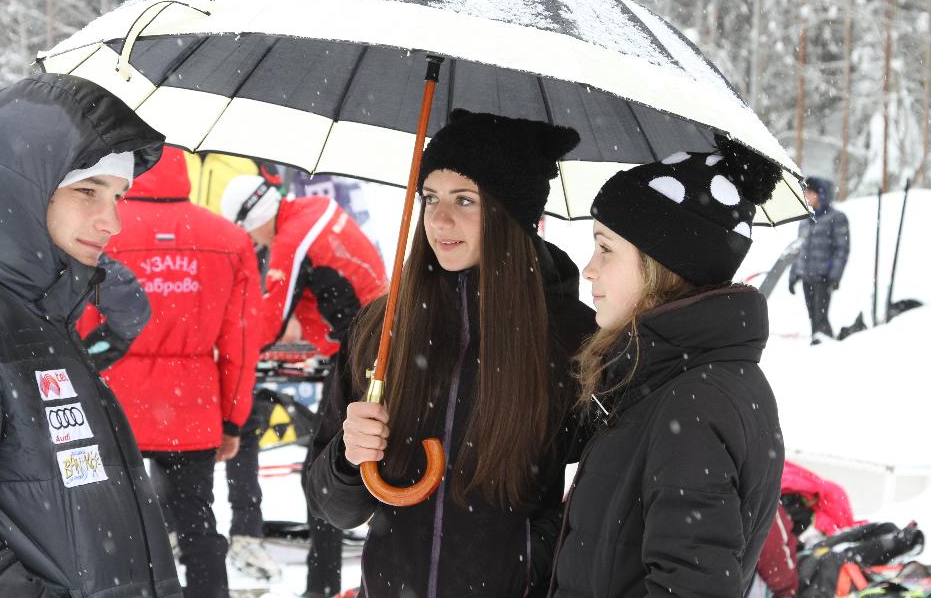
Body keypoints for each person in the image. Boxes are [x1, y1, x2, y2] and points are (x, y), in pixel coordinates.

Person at [303, 109, 595, 597]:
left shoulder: (573, 340)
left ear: (511, 213)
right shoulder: (382, 328)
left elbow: (607, 495)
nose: (439, 219)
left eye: (465, 200)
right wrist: (348, 459)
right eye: (430, 197)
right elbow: (332, 508)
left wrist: (532, 554)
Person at [0, 73, 181, 597]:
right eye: (87, 191)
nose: (112, 222)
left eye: (118, 196)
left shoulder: (46, 312)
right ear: (19, 187)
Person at [549, 141, 787, 597]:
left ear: (663, 266)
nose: (589, 269)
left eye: (605, 249)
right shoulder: (671, 381)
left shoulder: (695, 404)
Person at [78, 146, 262, 598]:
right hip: (191, 405)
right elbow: (240, 344)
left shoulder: (102, 230)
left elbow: (80, 328)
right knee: (198, 526)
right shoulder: (229, 239)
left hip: (113, 404)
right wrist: (232, 419)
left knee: (111, 530)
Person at [220, 175, 388, 593]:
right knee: (344, 470)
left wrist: (229, 348)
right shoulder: (312, 209)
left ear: (254, 219)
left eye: (249, 233)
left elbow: (272, 321)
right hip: (374, 335)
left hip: (362, 352)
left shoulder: (291, 240)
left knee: (321, 476)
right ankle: (329, 582)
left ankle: (323, 586)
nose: (253, 242)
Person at [788, 177, 850, 344]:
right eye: (805, 192)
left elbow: (842, 249)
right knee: (813, 317)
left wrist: (834, 275)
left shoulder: (836, 218)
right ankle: (819, 343)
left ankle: (823, 344)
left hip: (823, 277)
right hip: (806, 277)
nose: (806, 195)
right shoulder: (805, 219)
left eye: (810, 192)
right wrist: (793, 275)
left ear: (820, 194)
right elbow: (799, 249)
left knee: (820, 317)